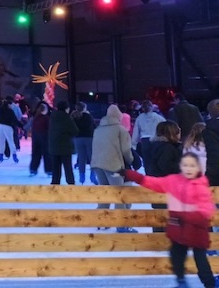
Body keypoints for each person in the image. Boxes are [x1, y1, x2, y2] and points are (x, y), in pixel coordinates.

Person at [122, 154, 216, 288]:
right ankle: (181, 282)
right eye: (185, 165)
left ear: (198, 168)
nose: (188, 168)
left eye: (192, 165)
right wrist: (131, 175)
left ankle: (210, 284)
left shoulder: (200, 185)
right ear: (180, 167)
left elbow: (206, 209)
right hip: (180, 231)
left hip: (196, 231)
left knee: (201, 261)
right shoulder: (174, 181)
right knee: (176, 257)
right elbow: (153, 182)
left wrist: (187, 216)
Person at [91, 103, 135, 233]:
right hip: (114, 166)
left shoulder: (98, 129)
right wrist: (131, 160)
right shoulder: (120, 130)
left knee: (105, 193)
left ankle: (101, 221)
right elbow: (126, 150)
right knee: (119, 195)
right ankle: (121, 224)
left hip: (98, 165)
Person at [48, 101, 78, 185]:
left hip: (54, 146)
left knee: (56, 169)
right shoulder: (66, 118)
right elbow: (75, 131)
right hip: (65, 147)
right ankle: (71, 185)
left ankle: (55, 185)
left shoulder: (52, 117)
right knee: (68, 168)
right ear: (66, 108)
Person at [132, 99, 166, 167]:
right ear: (151, 107)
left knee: (147, 163)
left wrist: (133, 144)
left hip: (145, 141)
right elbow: (165, 126)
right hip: (156, 140)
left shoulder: (139, 118)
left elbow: (136, 133)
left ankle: (148, 173)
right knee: (156, 161)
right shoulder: (158, 117)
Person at [71, 102, 96, 185]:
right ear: (84, 108)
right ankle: (93, 176)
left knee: (81, 158)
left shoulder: (74, 116)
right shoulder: (88, 116)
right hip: (89, 138)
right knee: (92, 158)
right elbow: (93, 126)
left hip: (78, 139)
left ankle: (82, 177)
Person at [28, 101, 51, 177]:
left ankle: (33, 169)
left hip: (35, 138)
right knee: (47, 154)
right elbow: (49, 128)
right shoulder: (46, 118)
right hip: (44, 138)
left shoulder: (35, 118)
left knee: (35, 154)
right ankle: (49, 170)